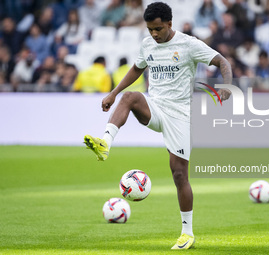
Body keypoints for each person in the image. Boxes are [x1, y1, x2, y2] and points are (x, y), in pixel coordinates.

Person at [84, 2, 232, 250]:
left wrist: (227, 85)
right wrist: (113, 92)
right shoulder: (147, 44)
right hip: (155, 106)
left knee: (179, 174)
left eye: (158, 29)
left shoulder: (188, 44)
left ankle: (187, 233)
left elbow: (223, 62)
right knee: (130, 97)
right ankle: (105, 143)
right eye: (150, 29)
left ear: (169, 24)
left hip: (179, 116)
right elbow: (136, 69)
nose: (154, 34)